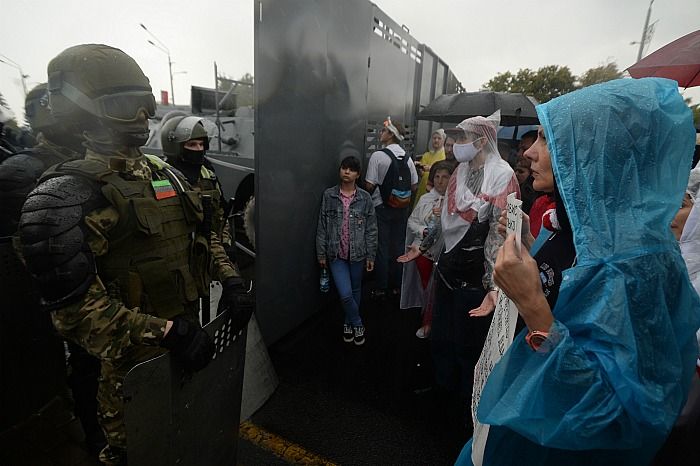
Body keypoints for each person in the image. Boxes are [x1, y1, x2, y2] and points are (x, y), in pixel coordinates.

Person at [458, 78, 700, 466]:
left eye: (545, 139)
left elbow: (617, 413)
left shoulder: (639, 265)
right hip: (520, 432)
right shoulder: (582, 227)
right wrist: (520, 270)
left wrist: (532, 303)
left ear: (593, 150)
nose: (529, 154)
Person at [19, 44, 215, 466]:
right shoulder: (66, 194)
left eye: (145, 106)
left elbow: (202, 239)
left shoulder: (164, 173)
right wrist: (166, 333)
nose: (143, 118)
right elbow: (75, 313)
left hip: (184, 352)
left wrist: (228, 281)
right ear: (85, 112)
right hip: (132, 374)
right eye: (128, 107)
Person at [398, 110, 519, 434]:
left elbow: (501, 232)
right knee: (442, 340)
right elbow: (444, 218)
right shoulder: (460, 172)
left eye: (461, 138)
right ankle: (442, 395)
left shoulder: (502, 175)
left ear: (481, 141)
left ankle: (466, 410)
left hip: (475, 281)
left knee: (468, 348)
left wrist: (493, 283)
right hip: (449, 271)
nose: (455, 144)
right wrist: (423, 246)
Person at [1, 82, 103, 447]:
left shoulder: (88, 162)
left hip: (97, 292)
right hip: (51, 304)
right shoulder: (21, 171)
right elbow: (21, 260)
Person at [158, 112, 254, 326]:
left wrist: (227, 245)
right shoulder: (162, 182)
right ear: (175, 145)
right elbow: (199, 230)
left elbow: (219, 217)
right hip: (175, 274)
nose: (199, 150)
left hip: (208, 263)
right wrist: (229, 276)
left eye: (202, 144)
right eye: (192, 144)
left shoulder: (206, 175)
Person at [317, 155, 377, 345]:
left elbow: (371, 229)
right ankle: (357, 322)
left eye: (351, 169)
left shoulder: (365, 198)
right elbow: (322, 226)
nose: (346, 172)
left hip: (358, 253)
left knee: (356, 289)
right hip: (336, 254)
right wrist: (321, 252)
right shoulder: (329, 195)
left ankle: (347, 322)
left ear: (358, 174)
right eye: (344, 168)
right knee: (345, 293)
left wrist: (371, 255)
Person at [399, 161, 454, 339]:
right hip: (424, 252)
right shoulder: (425, 199)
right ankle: (427, 320)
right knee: (426, 287)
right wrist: (423, 230)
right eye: (437, 177)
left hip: (445, 254)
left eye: (445, 177)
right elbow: (411, 221)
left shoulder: (456, 203)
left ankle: (437, 321)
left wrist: (445, 217)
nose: (440, 181)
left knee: (438, 289)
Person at [365, 117, 418, 299]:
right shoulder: (408, 159)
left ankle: (381, 286)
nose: (380, 133)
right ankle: (396, 286)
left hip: (381, 207)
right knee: (397, 246)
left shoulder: (378, 156)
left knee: (382, 246)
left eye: (383, 131)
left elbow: (370, 185)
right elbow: (413, 186)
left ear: (390, 134)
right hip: (401, 208)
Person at [415, 128, 446, 201]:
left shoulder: (444, 155)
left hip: (435, 189)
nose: (436, 140)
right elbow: (422, 172)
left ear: (443, 140)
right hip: (423, 187)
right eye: (434, 138)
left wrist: (430, 169)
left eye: (439, 138)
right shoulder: (426, 155)